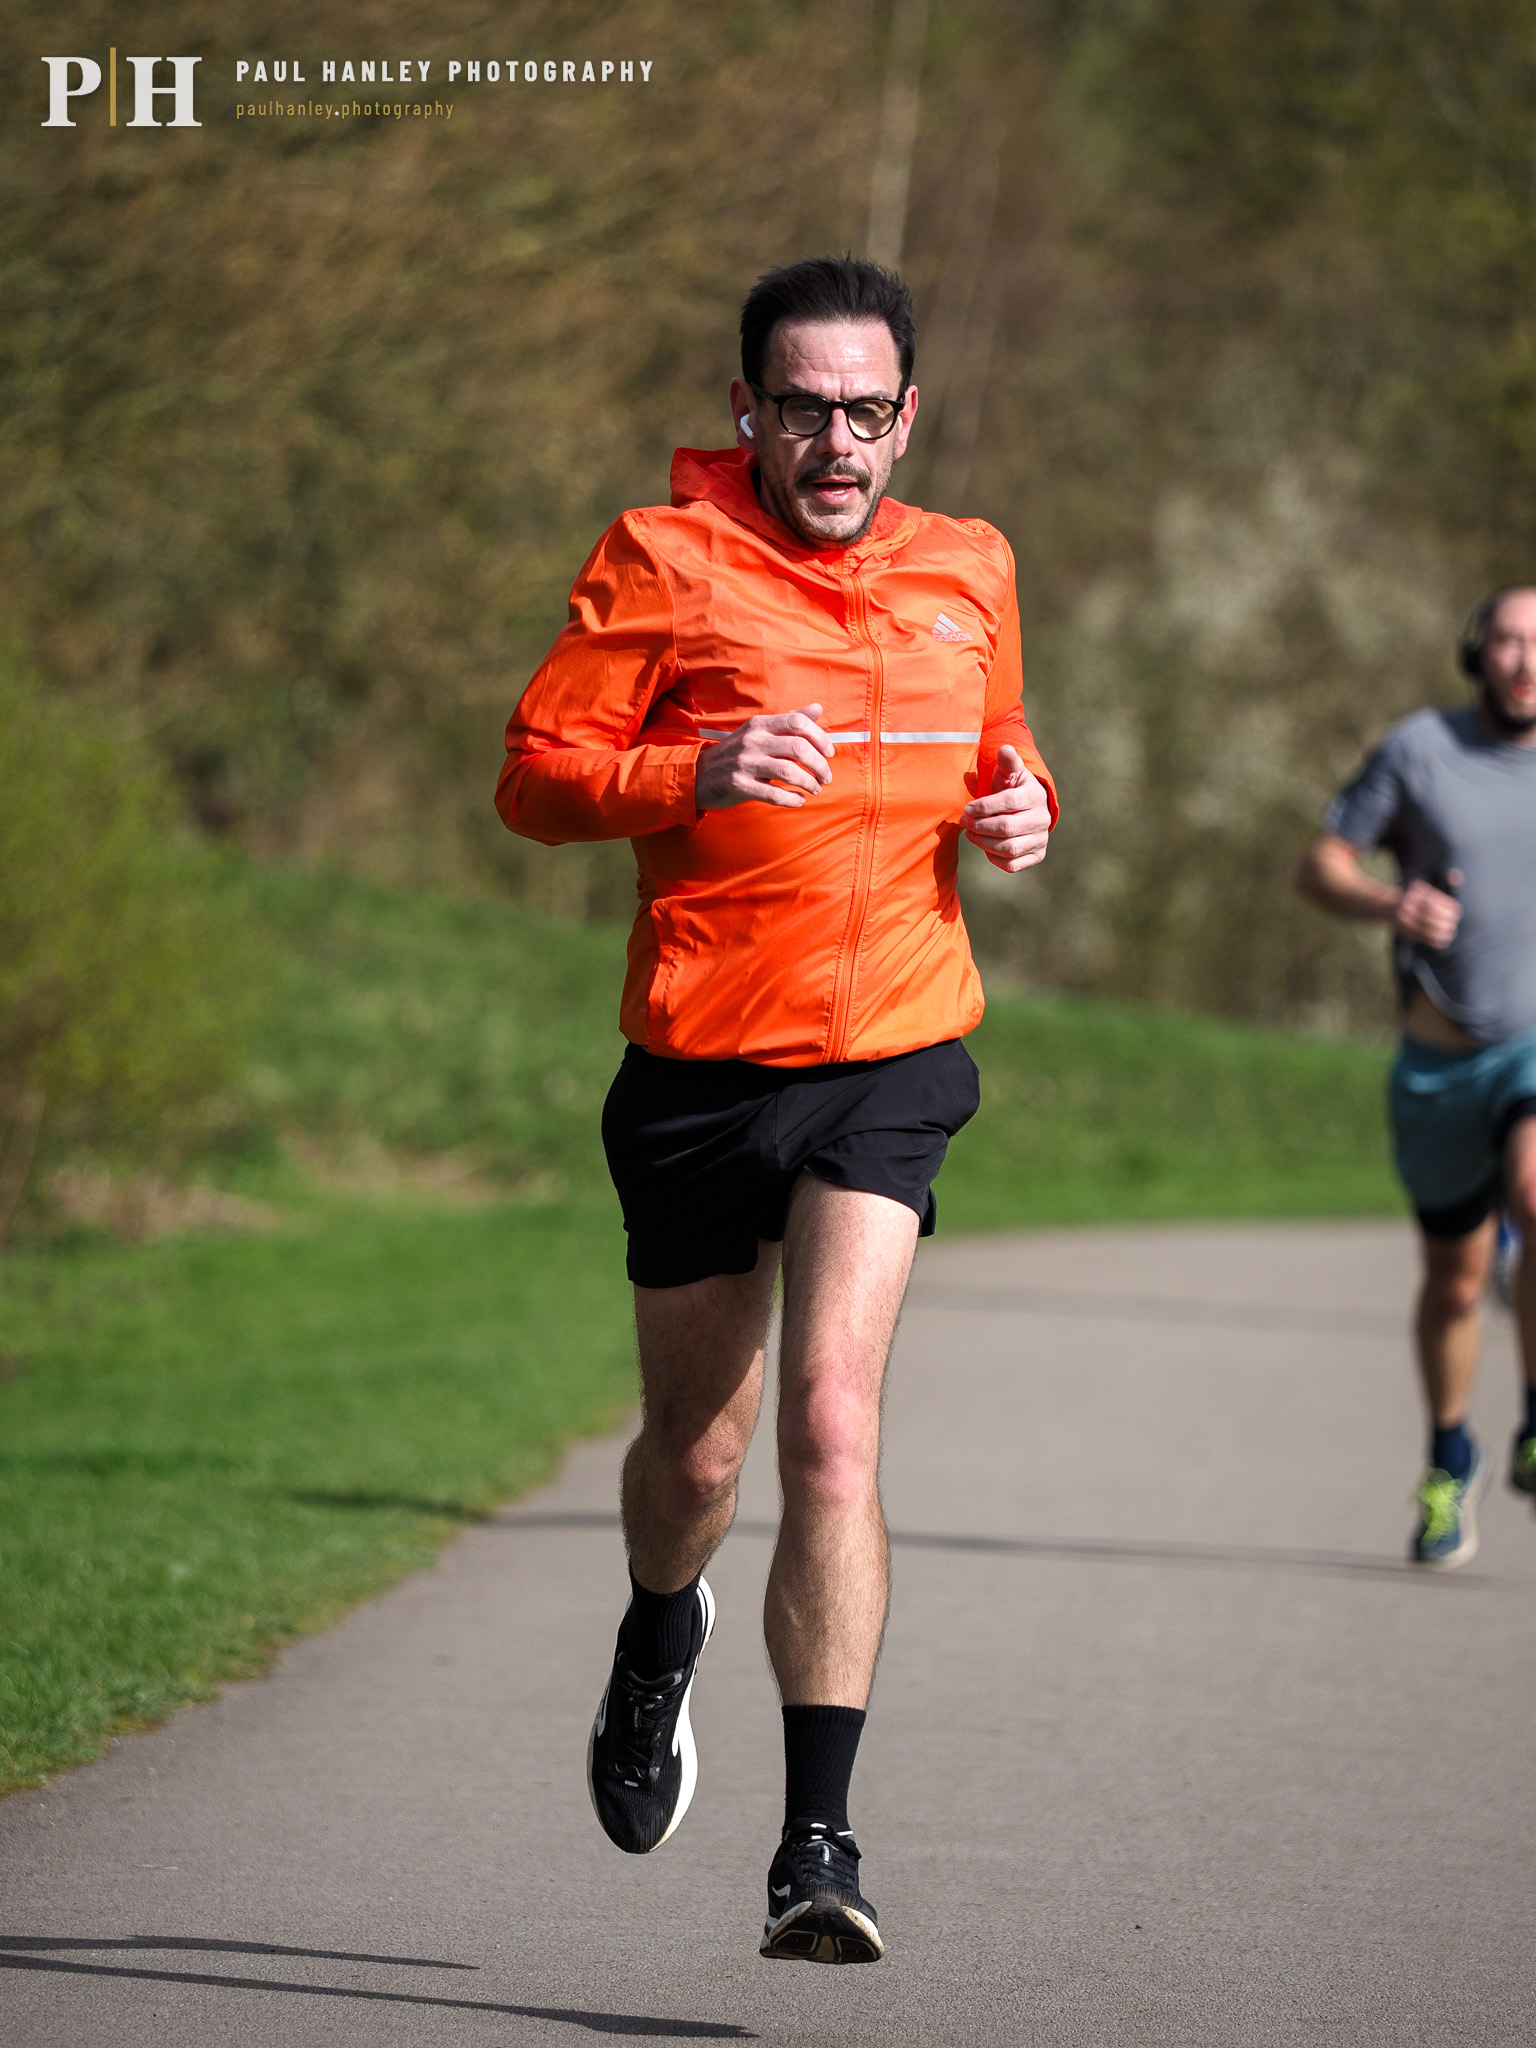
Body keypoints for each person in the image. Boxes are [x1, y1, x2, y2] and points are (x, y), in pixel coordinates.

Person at [495, 256, 1056, 1961]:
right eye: (800, 405)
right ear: (746, 410)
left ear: (907, 415)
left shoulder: (970, 563)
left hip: (889, 1053)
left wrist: (1023, 801)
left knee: (828, 1419)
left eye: (863, 408)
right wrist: (694, 768)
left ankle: (819, 1840)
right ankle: (661, 1623)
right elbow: (533, 776)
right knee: (701, 1449)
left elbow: (997, 738)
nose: (834, 438)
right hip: (696, 1062)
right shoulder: (661, 560)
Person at [1294, 586, 1536, 1568]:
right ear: (1478, 650)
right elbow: (1320, 865)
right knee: (1456, 1282)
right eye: (1511, 641)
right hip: (1439, 1060)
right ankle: (1450, 1452)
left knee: (1534, 1190)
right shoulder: (1419, 750)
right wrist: (1393, 904)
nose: (1526, 660)